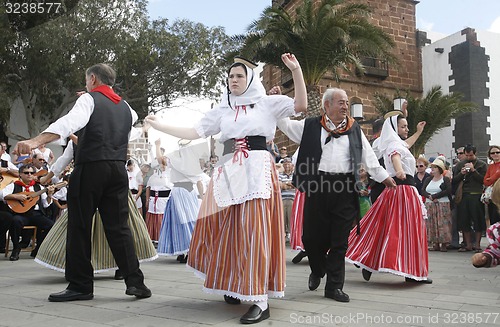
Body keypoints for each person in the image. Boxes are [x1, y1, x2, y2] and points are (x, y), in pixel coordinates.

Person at [145, 53, 307, 324]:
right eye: (230, 76)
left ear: (250, 78)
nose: (233, 80)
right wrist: (159, 124)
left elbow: (300, 105)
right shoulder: (223, 110)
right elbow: (193, 132)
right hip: (228, 172)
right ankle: (233, 283)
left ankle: (259, 299)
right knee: (227, 230)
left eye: (239, 75)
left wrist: (297, 69)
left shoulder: (267, 104)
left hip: (256, 171)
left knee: (254, 231)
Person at [14, 63, 151, 301]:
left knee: (79, 227)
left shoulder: (89, 100)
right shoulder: (127, 108)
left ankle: (81, 285)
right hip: (117, 170)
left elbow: (69, 123)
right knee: (119, 229)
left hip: (90, 169)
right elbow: (119, 123)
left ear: (93, 79)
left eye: (87, 81)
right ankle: (136, 283)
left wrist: (36, 141)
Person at [277, 87, 396, 303]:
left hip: (344, 187)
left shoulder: (354, 129)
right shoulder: (310, 125)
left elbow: (368, 157)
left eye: (347, 102)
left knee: (340, 241)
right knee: (311, 239)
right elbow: (284, 124)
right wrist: (277, 100)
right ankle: (318, 269)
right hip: (317, 186)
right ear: (327, 105)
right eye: (340, 102)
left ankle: (334, 287)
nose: (345, 106)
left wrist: (385, 178)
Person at [346, 112, 433, 284]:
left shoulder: (397, 143)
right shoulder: (394, 145)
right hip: (403, 190)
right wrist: (398, 169)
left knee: (385, 229)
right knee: (407, 229)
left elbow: (405, 145)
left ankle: (373, 262)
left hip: (399, 190)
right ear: (394, 128)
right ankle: (409, 273)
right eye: (403, 126)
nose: (406, 129)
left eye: (406, 126)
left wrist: (419, 132)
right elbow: (396, 155)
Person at [2, 164, 55, 260]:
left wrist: (49, 195)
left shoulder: (38, 187)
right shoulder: (14, 185)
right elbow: (2, 195)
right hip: (21, 214)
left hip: (36, 214)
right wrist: (16, 196)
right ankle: (16, 248)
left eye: (32, 173)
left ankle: (37, 249)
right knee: (15, 221)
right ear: (20, 174)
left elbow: (46, 204)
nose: (29, 175)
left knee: (51, 225)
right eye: (26, 173)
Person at [452, 144, 487, 253]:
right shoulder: (460, 164)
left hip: (476, 194)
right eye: (467, 155)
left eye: (470, 155)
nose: (468, 157)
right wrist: (462, 174)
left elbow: (483, 180)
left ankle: (477, 244)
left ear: (475, 154)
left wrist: (473, 170)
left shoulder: (482, 165)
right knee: (464, 220)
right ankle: (468, 244)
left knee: (478, 220)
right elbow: (454, 181)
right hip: (464, 195)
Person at [422, 158, 452, 252]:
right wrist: (430, 197)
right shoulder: (428, 179)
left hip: (442, 203)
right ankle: (434, 243)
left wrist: (436, 196)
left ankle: (444, 243)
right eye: (432, 167)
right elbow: (422, 190)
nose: (432, 169)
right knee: (431, 223)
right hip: (430, 204)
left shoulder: (445, 179)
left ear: (439, 169)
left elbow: (448, 190)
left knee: (443, 223)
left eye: (434, 167)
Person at [483, 145, 500, 225]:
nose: (495, 154)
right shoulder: (491, 166)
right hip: (492, 196)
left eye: (497, 152)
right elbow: (486, 181)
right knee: (493, 218)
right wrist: (495, 176)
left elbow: (490, 179)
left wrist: (491, 178)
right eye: (492, 153)